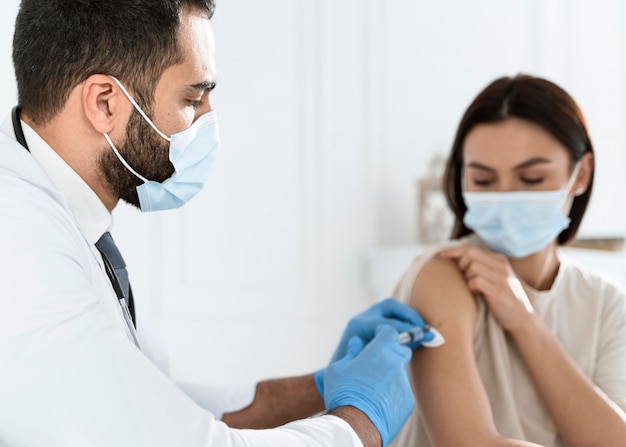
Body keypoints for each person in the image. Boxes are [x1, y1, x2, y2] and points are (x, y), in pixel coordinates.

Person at [0, 1, 439, 446]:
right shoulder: (18, 242)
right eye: (192, 99)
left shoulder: (58, 217)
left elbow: (143, 405)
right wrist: (362, 421)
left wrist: (321, 386)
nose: (208, 120)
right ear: (104, 102)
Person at [390, 74, 626, 447]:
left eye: (531, 179)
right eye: (483, 181)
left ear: (580, 174)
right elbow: (470, 444)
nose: (505, 198)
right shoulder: (443, 274)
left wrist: (524, 322)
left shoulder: (607, 304)